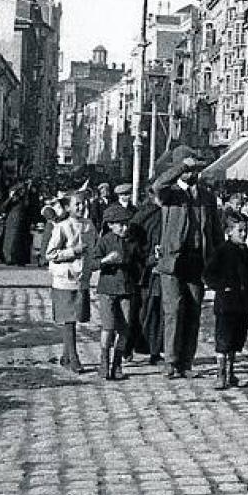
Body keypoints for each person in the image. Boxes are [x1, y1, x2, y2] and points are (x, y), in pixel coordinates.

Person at [152, 151, 224, 379]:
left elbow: (215, 230)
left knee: (193, 311)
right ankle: (170, 361)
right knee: (173, 310)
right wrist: (181, 166)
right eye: (189, 170)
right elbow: (158, 185)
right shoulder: (170, 194)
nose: (192, 174)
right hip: (173, 261)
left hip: (197, 260)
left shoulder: (207, 196)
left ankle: (186, 362)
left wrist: (219, 260)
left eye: (195, 170)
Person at [203, 213, 248, 390]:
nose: (244, 234)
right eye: (240, 231)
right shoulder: (222, 251)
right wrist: (223, 286)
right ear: (229, 232)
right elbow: (208, 274)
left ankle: (231, 372)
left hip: (243, 304)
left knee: (237, 340)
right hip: (227, 304)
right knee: (224, 340)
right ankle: (220, 374)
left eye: (246, 231)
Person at [45, 193, 90, 374]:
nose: (80, 207)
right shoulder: (62, 227)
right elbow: (50, 253)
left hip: (81, 278)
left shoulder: (89, 225)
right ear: (68, 207)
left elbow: (93, 248)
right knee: (69, 319)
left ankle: (65, 356)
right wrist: (73, 251)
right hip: (64, 279)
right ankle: (74, 358)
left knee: (76, 317)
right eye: (76, 204)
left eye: (83, 203)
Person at [92, 203, 137, 381]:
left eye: (127, 224)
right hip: (107, 290)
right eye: (121, 225)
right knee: (108, 327)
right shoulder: (105, 240)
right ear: (110, 224)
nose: (125, 228)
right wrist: (106, 260)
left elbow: (138, 261)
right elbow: (92, 264)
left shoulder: (131, 241)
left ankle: (117, 364)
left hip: (126, 289)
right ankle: (104, 363)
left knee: (125, 329)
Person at [129, 189, 165, 366]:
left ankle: (155, 351)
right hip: (143, 271)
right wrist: (148, 258)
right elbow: (132, 244)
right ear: (151, 195)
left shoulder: (169, 212)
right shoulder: (143, 216)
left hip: (162, 270)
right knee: (139, 310)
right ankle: (127, 347)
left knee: (157, 311)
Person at [1, 185, 33, 266]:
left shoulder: (22, 201)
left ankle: (14, 258)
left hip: (18, 223)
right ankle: (8, 258)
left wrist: (26, 191)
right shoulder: (11, 202)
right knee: (8, 241)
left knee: (15, 241)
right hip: (10, 222)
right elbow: (3, 207)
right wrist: (10, 197)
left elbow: (26, 204)